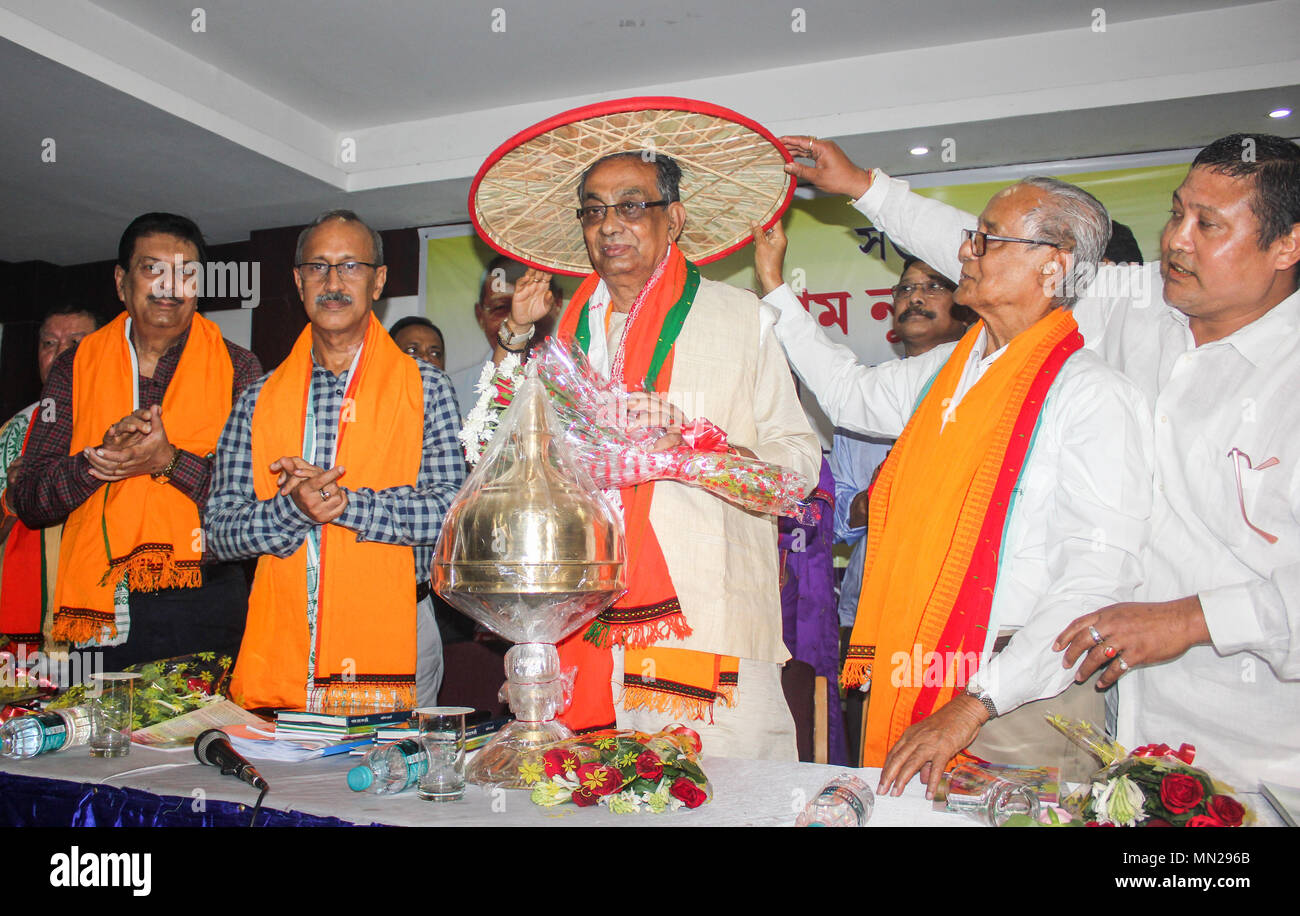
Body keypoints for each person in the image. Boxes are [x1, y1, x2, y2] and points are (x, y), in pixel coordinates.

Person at [786, 132, 1300, 790]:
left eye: (1209, 224)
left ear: (1286, 245)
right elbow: (996, 250)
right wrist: (867, 188)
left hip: (1258, 738)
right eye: (1176, 213)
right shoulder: (1140, 305)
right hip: (1119, 708)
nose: (1176, 239)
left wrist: (1194, 617)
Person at [755, 153, 1153, 794]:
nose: (965, 251)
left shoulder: (1092, 396)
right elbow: (848, 394)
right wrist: (776, 292)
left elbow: (1093, 582)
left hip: (1018, 701)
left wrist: (975, 703)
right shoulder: (948, 373)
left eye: (986, 238)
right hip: (911, 670)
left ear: (1052, 264)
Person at [502, 151, 821, 759]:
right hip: (577, 627)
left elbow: (798, 465)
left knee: (732, 806)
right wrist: (515, 342)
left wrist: (698, 445)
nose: (609, 225)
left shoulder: (742, 318)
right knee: (582, 799)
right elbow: (504, 468)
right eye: (593, 211)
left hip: (711, 624)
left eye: (630, 206)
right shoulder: (564, 338)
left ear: (672, 220)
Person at [206, 209, 464, 711]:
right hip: (282, 631)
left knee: (385, 780)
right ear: (298, 282)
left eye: (350, 267)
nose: (332, 282)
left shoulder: (425, 387)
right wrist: (294, 510)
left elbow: (451, 511)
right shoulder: (257, 398)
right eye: (318, 268)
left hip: (399, 630)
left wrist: (345, 506)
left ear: (378, 281)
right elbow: (217, 532)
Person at [11, 213, 262, 669]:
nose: (169, 286)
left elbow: (254, 506)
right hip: (97, 608)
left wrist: (167, 461)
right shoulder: (75, 367)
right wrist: (97, 462)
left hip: (205, 603)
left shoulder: (237, 368)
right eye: (152, 269)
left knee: (201, 739)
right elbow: (29, 499)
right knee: (101, 741)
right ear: (121, 281)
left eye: (185, 272)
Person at [826, 257, 971, 758]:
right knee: (867, 733)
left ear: (968, 302)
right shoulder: (859, 404)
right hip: (867, 614)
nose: (916, 296)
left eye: (934, 286)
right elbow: (837, 518)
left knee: (952, 743)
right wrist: (876, 499)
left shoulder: (985, 394)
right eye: (907, 288)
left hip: (957, 612)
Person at [0, 304, 103, 652]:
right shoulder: (14, 431)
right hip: (22, 619)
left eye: (75, 342)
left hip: (101, 616)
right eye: (49, 343)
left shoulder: (126, 425)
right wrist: (12, 499)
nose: (60, 354)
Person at [451, 255, 563, 417]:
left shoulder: (577, 377)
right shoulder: (456, 389)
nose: (517, 313)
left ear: (557, 302)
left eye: (532, 300)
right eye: (501, 307)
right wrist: (517, 328)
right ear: (480, 316)